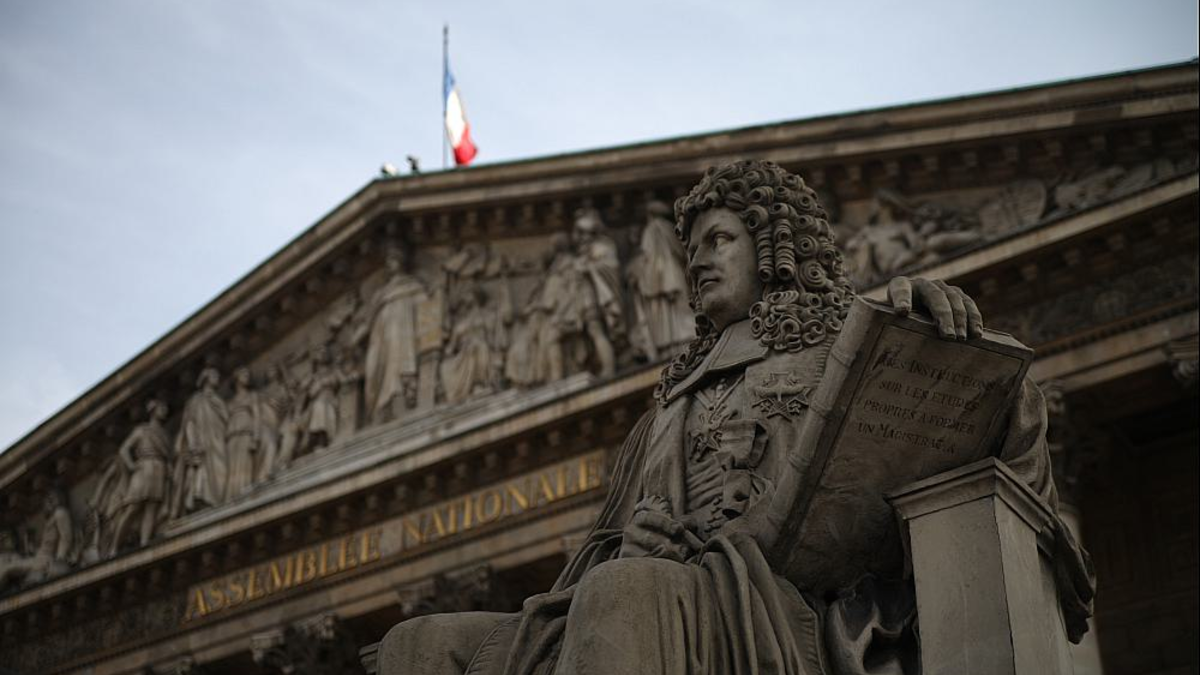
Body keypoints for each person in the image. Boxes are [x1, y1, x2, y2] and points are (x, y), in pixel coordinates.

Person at [379, 160, 1093, 675]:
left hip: (793, 610)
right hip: (664, 599)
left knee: (625, 594)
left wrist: (942, 338)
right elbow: (592, 557)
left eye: (717, 241)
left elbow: (994, 431)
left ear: (774, 243)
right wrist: (631, 540)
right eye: (689, 251)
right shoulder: (669, 400)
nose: (695, 264)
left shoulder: (844, 347)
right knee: (420, 641)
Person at [108, 399, 172, 554]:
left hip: (159, 468)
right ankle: (114, 547)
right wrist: (131, 465)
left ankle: (144, 542)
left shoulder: (164, 435)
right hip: (143, 468)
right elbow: (124, 449)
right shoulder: (142, 430)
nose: (164, 411)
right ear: (153, 410)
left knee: (152, 507)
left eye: (165, 408)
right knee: (133, 507)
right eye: (161, 407)